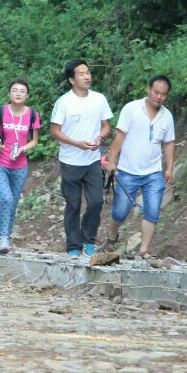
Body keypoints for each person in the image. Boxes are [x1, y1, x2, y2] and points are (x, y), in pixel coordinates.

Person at [104, 75, 176, 259]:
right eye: (156, 92)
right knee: (120, 211)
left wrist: (169, 168)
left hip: (153, 172)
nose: (159, 97)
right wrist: (112, 161)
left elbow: (169, 143)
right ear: (148, 89)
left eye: (163, 94)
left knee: (152, 211)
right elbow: (120, 136)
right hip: (128, 170)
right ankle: (112, 237)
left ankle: (144, 250)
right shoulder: (131, 108)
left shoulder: (167, 116)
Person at [50, 60, 113, 259]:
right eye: (81, 74)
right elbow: (55, 131)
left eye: (88, 73)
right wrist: (76, 143)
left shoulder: (99, 99)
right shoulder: (64, 102)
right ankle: (73, 246)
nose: (87, 77)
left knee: (96, 201)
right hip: (70, 161)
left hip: (93, 160)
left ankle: (88, 240)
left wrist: (100, 137)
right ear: (71, 79)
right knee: (73, 204)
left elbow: (107, 126)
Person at [0, 79, 41, 255]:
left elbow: (35, 140)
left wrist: (23, 148)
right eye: (15, 90)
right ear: (9, 93)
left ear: (27, 95)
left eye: (22, 91)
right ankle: (2, 239)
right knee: (7, 200)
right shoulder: (0, 112)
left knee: (13, 203)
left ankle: (6, 239)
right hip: (1, 163)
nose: (18, 93)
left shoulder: (32, 114)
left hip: (20, 166)